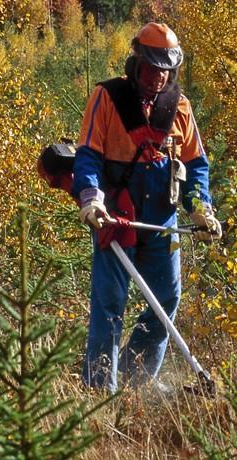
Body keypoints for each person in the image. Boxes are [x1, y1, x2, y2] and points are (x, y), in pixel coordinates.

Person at [72, 22, 222, 393]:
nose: (158, 77)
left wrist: (200, 208)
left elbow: (196, 166)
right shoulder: (106, 98)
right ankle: (99, 390)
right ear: (136, 64)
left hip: (163, 221)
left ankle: (136, 382)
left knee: (166, 301)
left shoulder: (180, 108)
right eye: (151, 68)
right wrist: (91, 197)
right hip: (117, 218)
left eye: (164, 70)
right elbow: (88, 154)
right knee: (110, 305)